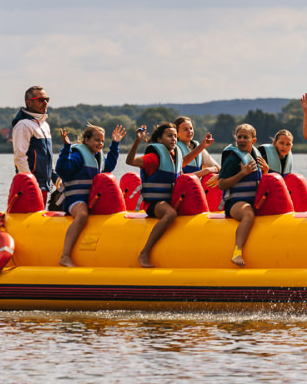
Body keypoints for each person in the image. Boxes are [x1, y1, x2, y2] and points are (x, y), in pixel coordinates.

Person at [54, 124, 126, 267]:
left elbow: (109, 166)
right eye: (96, 140)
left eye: (102, 141)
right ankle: (65, 256)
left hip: (91, 201)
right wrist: (66, 147)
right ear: (86, 140)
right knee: (82, 215)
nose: (99, 144)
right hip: (75, 200)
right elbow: (63, 169)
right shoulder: (78, 155)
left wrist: (115, 144)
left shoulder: (96, 158)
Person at [125, 122, 181, 267]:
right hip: (154, 204)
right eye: (169, 136)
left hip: (171, 201)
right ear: (160, 140)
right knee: (170, 214)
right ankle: (145, 252)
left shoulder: (175, 157)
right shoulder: (153, 158)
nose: (173, 139)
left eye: (175, 136)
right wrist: (137, 140)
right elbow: (130, 161)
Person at [218, 124, 270, 266]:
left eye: (245, 137)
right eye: (239, 137)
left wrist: (265, 171)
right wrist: (242, 173)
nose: (241, 140)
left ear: (253, 140)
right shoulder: (233, 159)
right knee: (248, 214)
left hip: (254, 202)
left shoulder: (256, 156)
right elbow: (221, 184)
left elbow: (259, 183)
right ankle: (237, 252)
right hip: (235, 202)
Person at [11, 85, 56, 199]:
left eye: (47, 100)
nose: (45, 103)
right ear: (29, 103)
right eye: (41, 100)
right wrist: (30, 184)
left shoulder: (45, 125)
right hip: (30, 188)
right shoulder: (23, 125)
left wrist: (56, 178)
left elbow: (48, 159)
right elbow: (20, 157)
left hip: (44, 187)